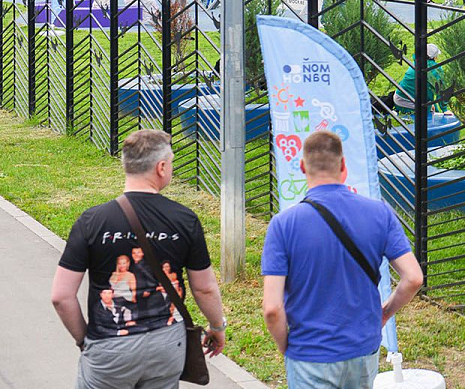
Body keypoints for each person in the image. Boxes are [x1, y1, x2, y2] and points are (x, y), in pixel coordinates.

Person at [51, 130, 227, 387]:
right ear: (162, 167)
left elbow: (61, 297)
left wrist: (85, 341)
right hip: (166, 344)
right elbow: (205, 288)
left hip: (109, 345)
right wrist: (217, 327)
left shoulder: (92, 221)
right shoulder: (184, 219)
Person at [262, 131, 423, 388]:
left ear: (303, 167)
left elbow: (272, 309)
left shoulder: (283, 225)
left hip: (310, 353)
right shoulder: (380, 213)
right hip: (362, 349)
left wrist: (288, 349)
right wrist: (384, 313)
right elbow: (413, 278)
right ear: (343, 166)